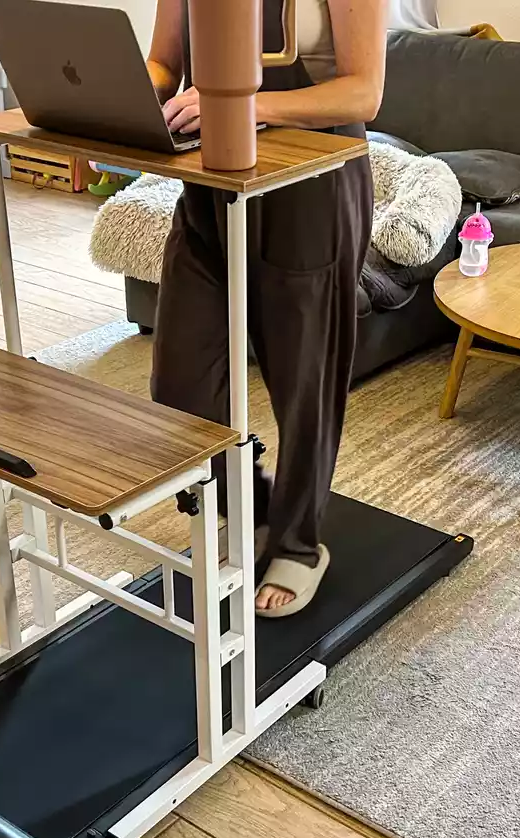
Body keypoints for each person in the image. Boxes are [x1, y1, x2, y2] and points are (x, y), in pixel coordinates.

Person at [145, 0, 387, 617]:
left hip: (312, 183)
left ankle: (300, 542)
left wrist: (248, 108)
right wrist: (114, 107)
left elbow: (364, 94)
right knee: (179, 386)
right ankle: (248, 503)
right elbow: (163, 62)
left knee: (303, 383)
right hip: (214, 180)